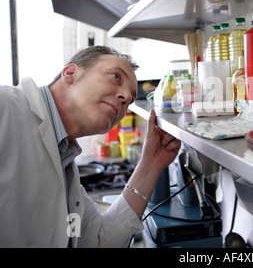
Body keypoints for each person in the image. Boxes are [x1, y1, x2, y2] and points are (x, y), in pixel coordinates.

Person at [0, 46, 181, 247]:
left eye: (130, 99)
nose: (125, 98)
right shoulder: (6, 107)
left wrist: (150, 164)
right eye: (116, 77)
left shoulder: (66, 170)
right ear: (70, 73)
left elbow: (98, 241)